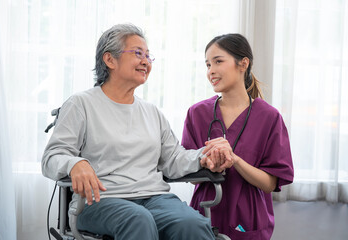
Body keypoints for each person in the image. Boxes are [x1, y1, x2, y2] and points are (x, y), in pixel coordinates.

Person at [41, 23, 225, 240]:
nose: (146, 61)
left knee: (192, 224)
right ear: (109, 60)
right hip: (100, 201)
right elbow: (51, 159)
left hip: (154, 199)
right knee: (138, 219)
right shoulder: (81, 104)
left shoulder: (151, 112)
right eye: (138, 53)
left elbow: (173, 160)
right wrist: (74, 163)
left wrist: (203, 157)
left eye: (148, 55)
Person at [181, 33, 294, 240]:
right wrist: (205, 163)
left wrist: (235, 160)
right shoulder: (197, 114)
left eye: (218, 61)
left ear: (243, 64)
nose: (211, 71)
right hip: (203, 212)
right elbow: (186, 172)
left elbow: (269, 183)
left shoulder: (269, 117)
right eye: (207, 65)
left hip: (248, 217)